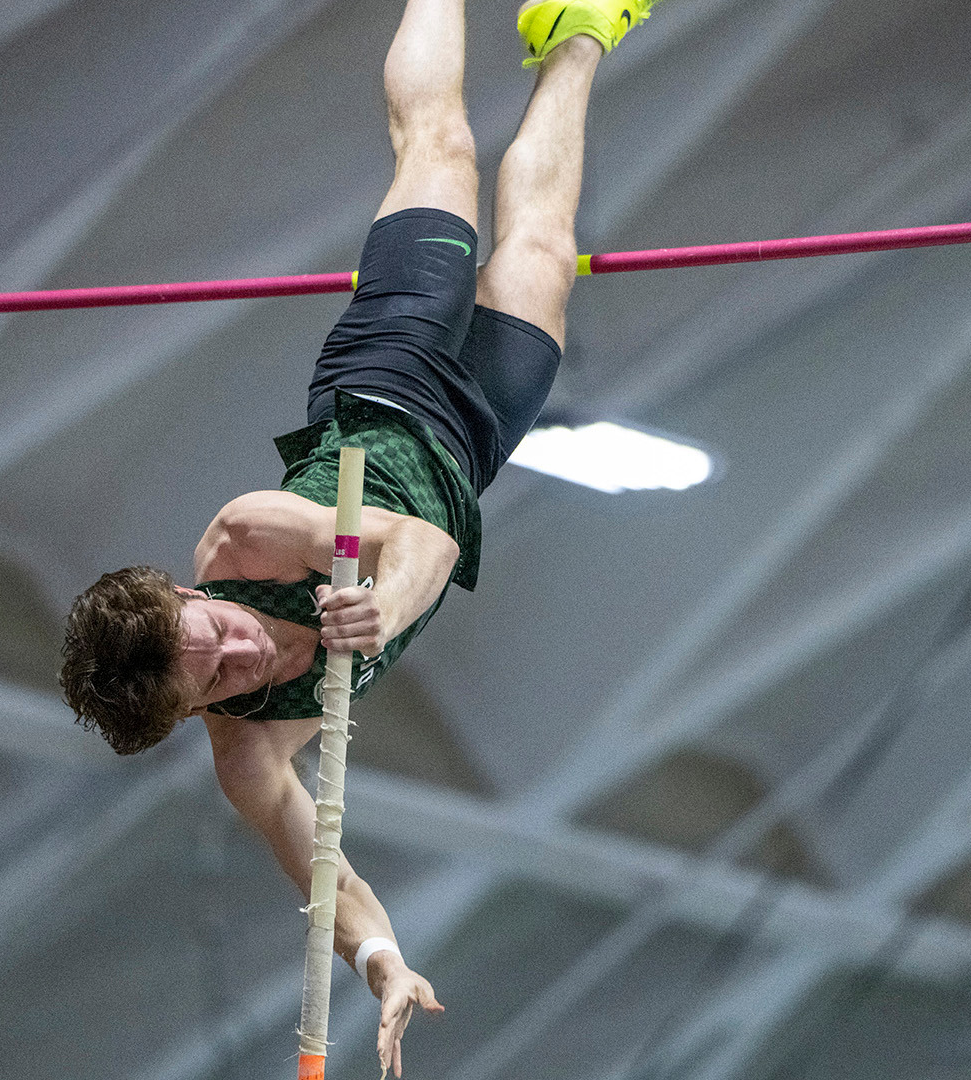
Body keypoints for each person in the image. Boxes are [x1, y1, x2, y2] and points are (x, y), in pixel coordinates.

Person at [58, 0, 658, 1073]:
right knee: (543, 249)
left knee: (439, 149)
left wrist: (382, 610)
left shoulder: (248, 534)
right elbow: (326, 879)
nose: (243, 653)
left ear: (191, 595)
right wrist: (383, 962)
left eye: (219, 633)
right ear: (196, 709)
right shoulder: (249, 754)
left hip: (391, 374)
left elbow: (416, 544)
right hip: (469, 449)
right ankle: (576, 32)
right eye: (221, 676)